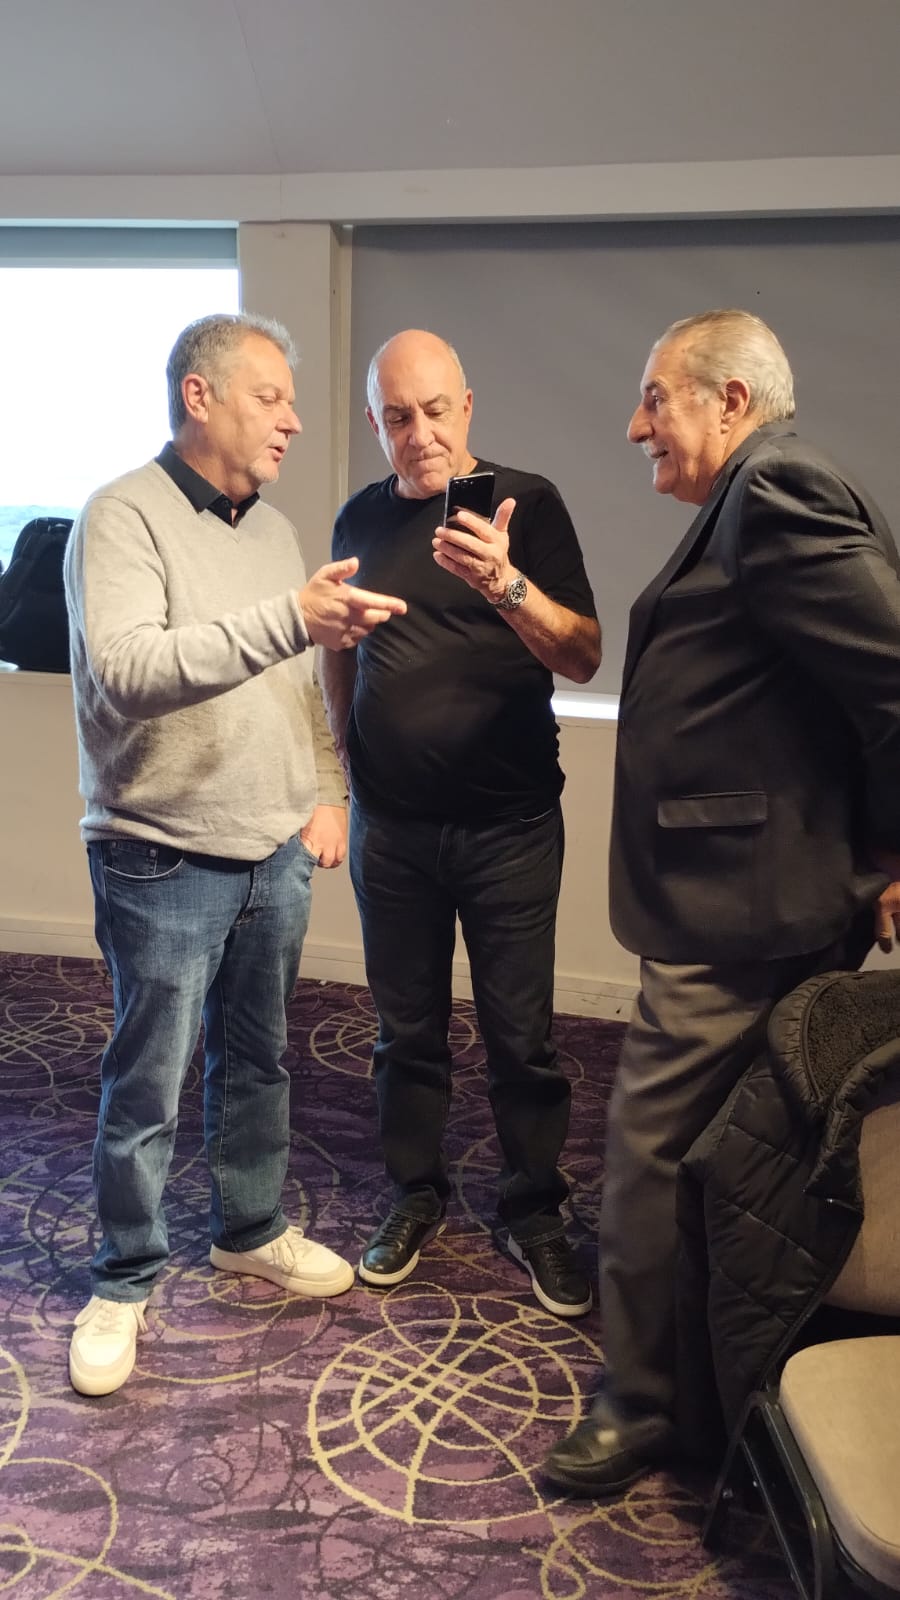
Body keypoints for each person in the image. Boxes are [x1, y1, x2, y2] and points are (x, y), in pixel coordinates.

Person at [543, 308, 900, 1493]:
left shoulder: (776, 488)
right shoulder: (757, 493)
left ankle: (644, 1401)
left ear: (731, 400)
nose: (634, 423)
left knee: (649, 1150)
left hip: (743, 905)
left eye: (656, 396)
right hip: (753, 888)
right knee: (742, 1151)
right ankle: (713, 1389)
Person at [64, 311, 407, 1397]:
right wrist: (292, 618)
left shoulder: (275, 531)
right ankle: (124, 1277)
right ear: (199, 396)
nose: (292, 420)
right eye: (270, 397)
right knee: (149, 1081)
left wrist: (328, 792)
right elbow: (129, 670)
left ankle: (248, 1230)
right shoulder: (120, 515)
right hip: (160, 853)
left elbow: (301, 683)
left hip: (274, 850)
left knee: (259, 1062)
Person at [321, 329, 601, 1318]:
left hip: (507, 830)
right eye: (399, 416)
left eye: (436, 411)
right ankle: (415, 1193)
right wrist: (345, 754)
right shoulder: (361, 515)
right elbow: (340, 645)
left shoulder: (528, 505)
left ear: (467, 407)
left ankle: (534, 1210)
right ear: (375, 422)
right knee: (405, 1033)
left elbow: (582, 655)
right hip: (392, 832)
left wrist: (505, 585)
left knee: (523, 1038)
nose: (421, 433)